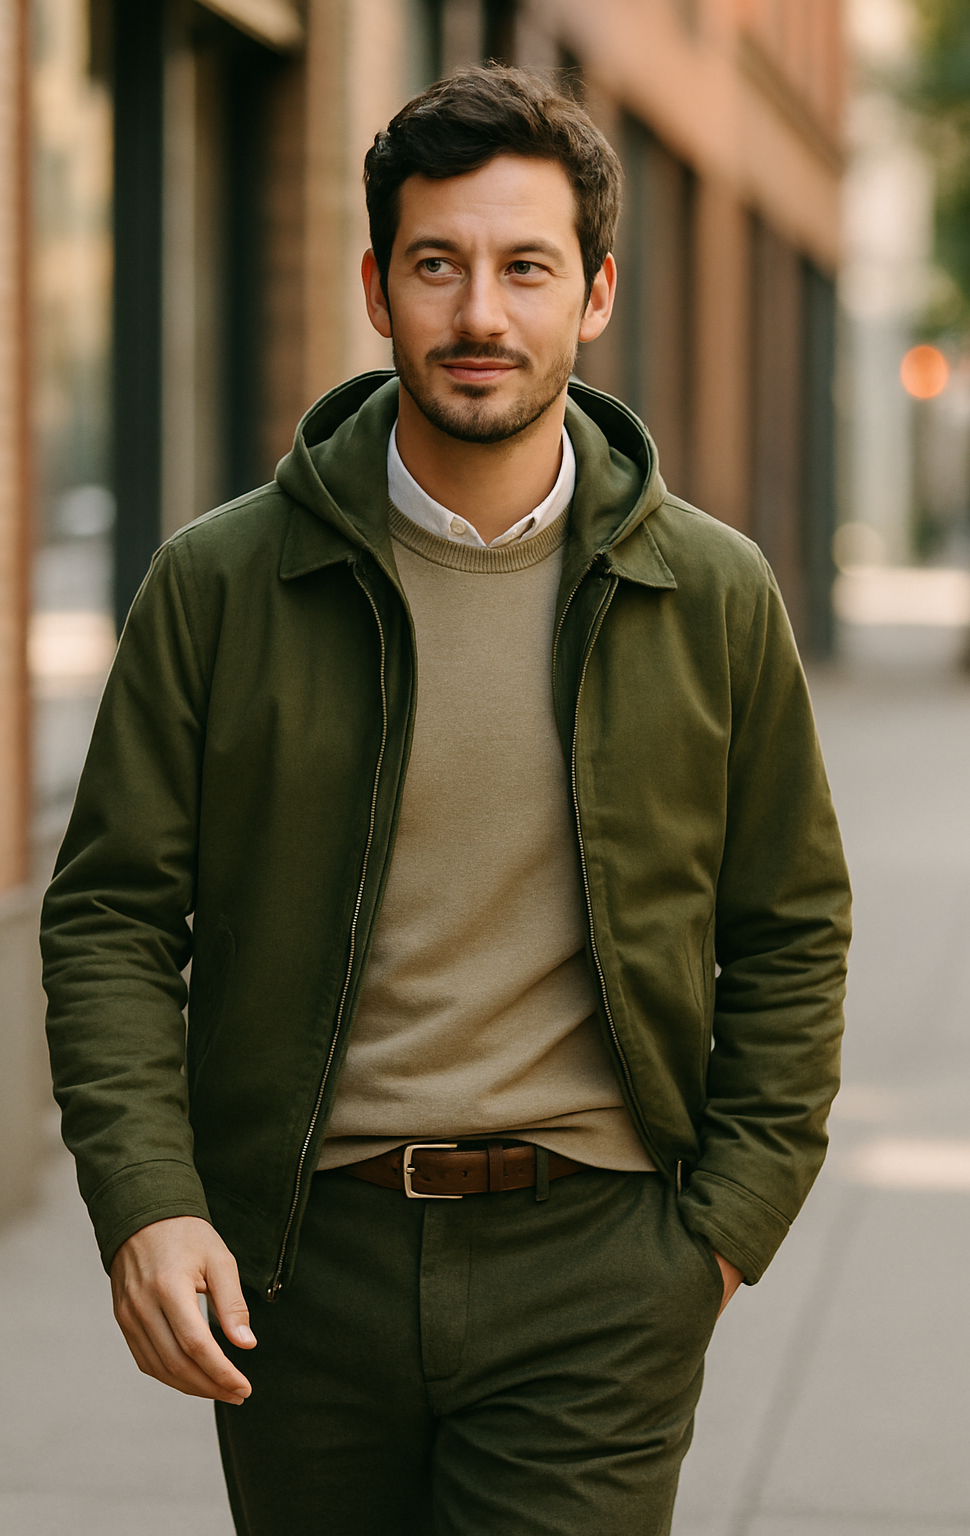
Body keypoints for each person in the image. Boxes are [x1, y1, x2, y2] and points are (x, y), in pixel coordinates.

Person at [42, 65, 851, 1536]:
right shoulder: (221, 583)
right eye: (438, 264)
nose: (482, 313)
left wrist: (721, 1234)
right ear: (376, 285)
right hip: (302, 1268)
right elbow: (110, 915)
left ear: (595, 294)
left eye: (526, 267)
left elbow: (793, 925)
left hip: (602, 1267)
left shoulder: (714, 594)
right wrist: (152, 1202)